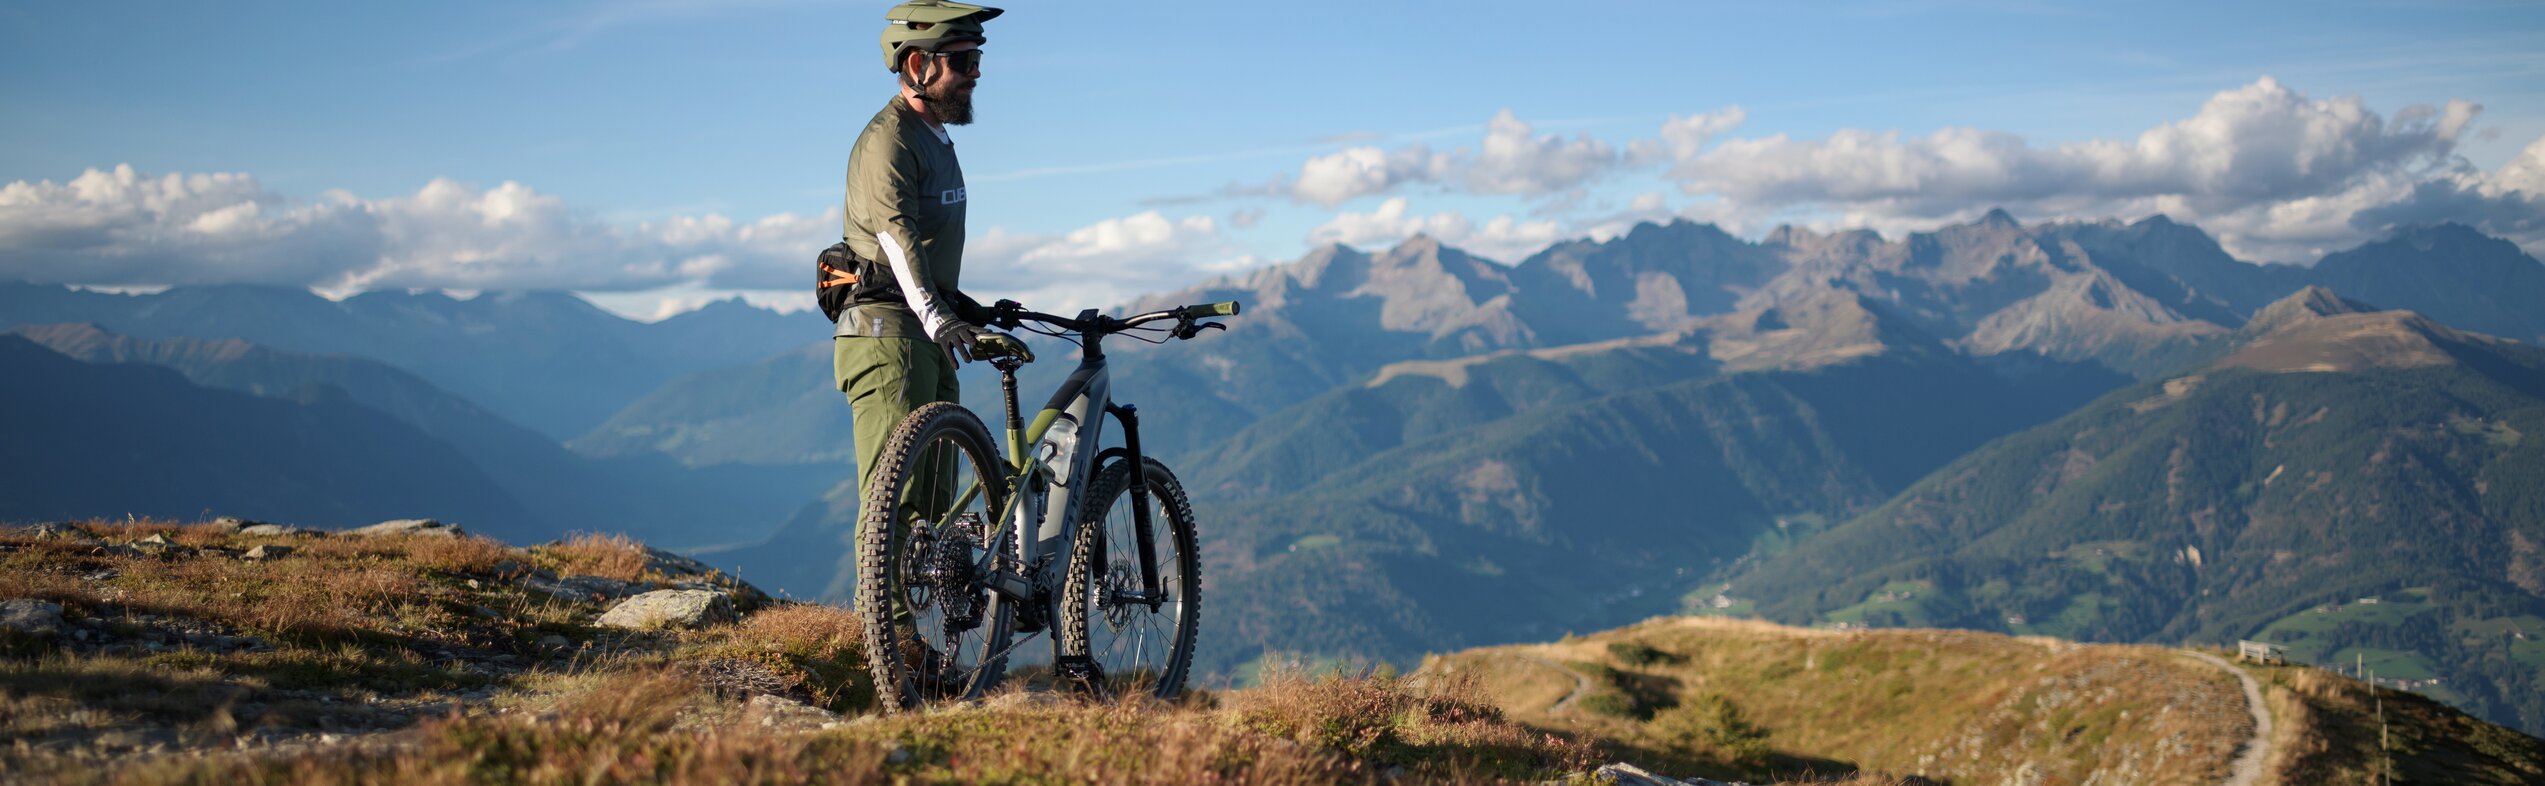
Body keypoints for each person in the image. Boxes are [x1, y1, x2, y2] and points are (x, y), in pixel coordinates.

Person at [834, 0, 1030, 507]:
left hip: (926, 333)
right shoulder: (889, 141)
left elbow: (927, 247)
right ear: (920, 65)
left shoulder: (934, 135)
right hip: (889, 337)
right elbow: (896, 236)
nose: (977, 72)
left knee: (935, 502)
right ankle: (883, 593)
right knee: (896, 501)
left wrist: (963, 309)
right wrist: (938, 316)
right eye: (964, 61)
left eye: (977, 60)